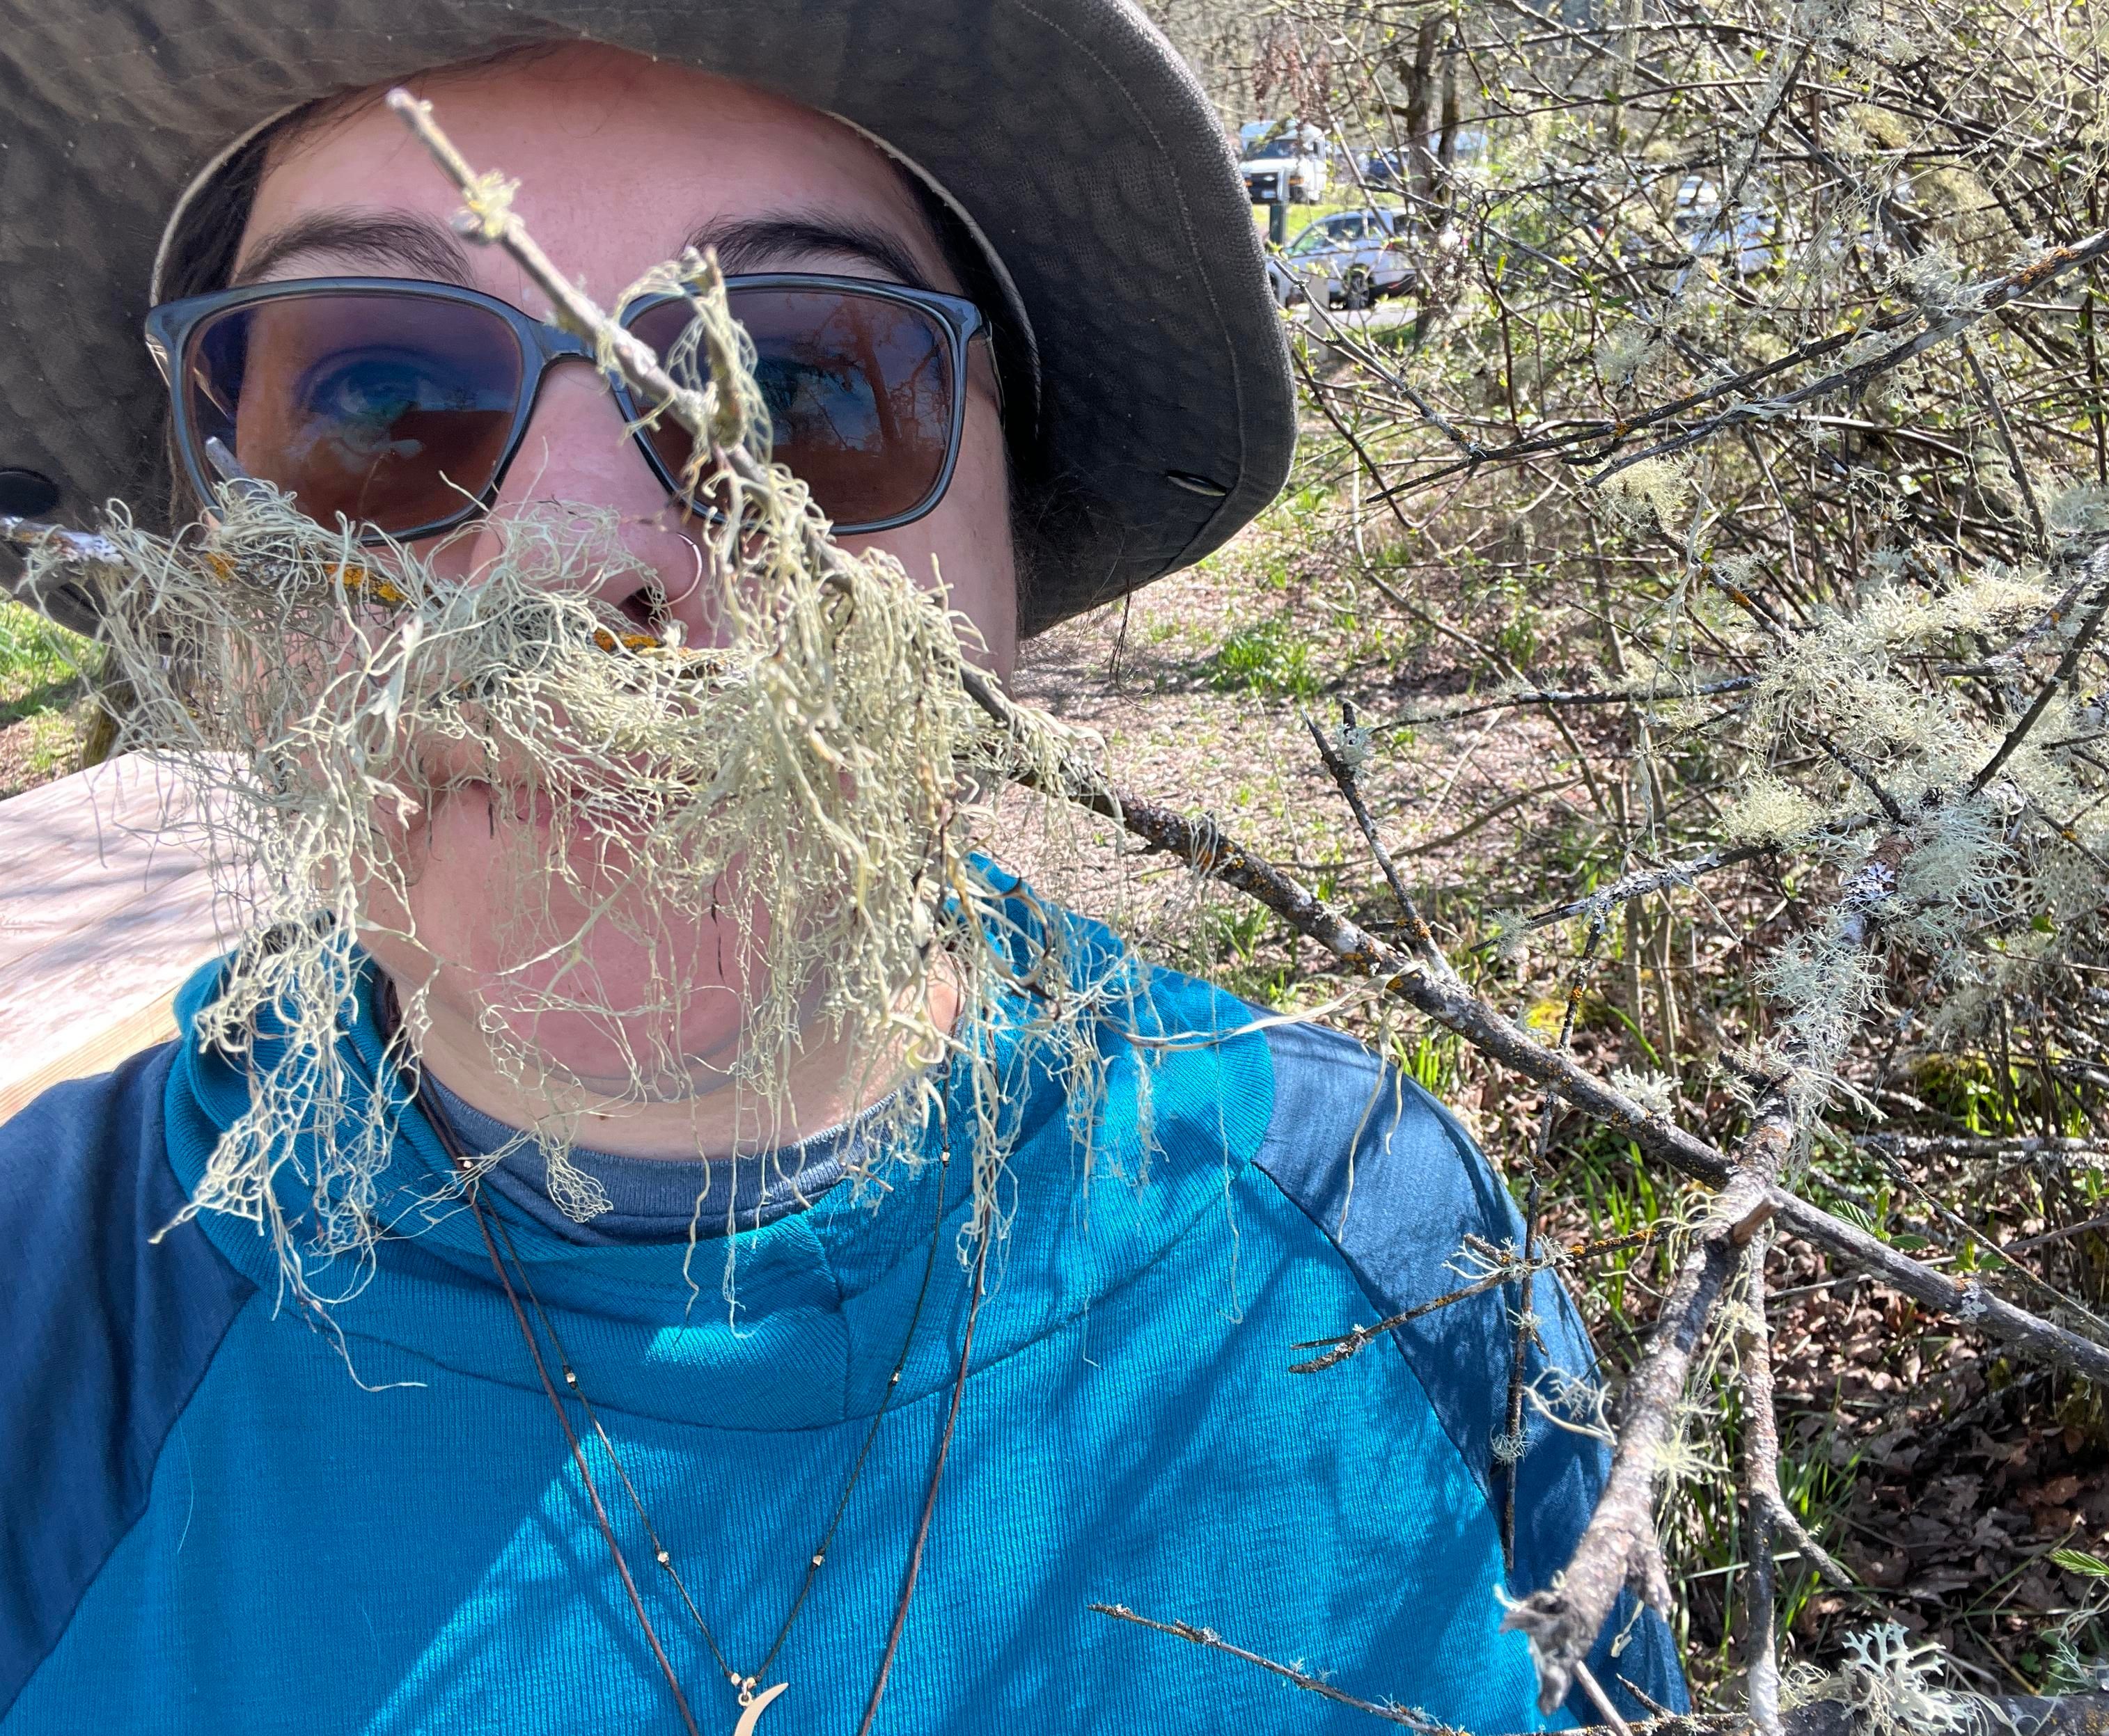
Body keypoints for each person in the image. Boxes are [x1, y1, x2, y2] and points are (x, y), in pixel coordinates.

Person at [0, 8, 1687, 1733]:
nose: (582, 568)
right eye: (378, 393)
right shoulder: (35, 1323)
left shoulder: (1369, 1232)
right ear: (211, 565)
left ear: (1006, 562)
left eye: (794, 389)